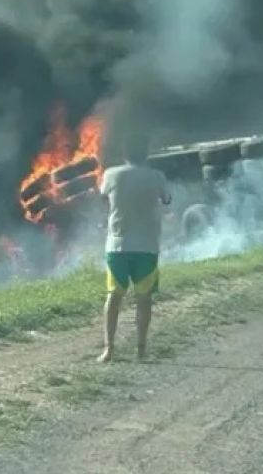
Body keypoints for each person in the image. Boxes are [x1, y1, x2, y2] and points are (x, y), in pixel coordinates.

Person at [97, 132, 171, 363]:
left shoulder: (110, 174)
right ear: (146, 153)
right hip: (147, 246)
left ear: (124, 154)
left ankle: (109, 349)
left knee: (114, 296)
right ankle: (141, 348)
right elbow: (167, 199)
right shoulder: (156, 176)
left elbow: (103, 199)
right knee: (144, 298)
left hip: (117, 245)